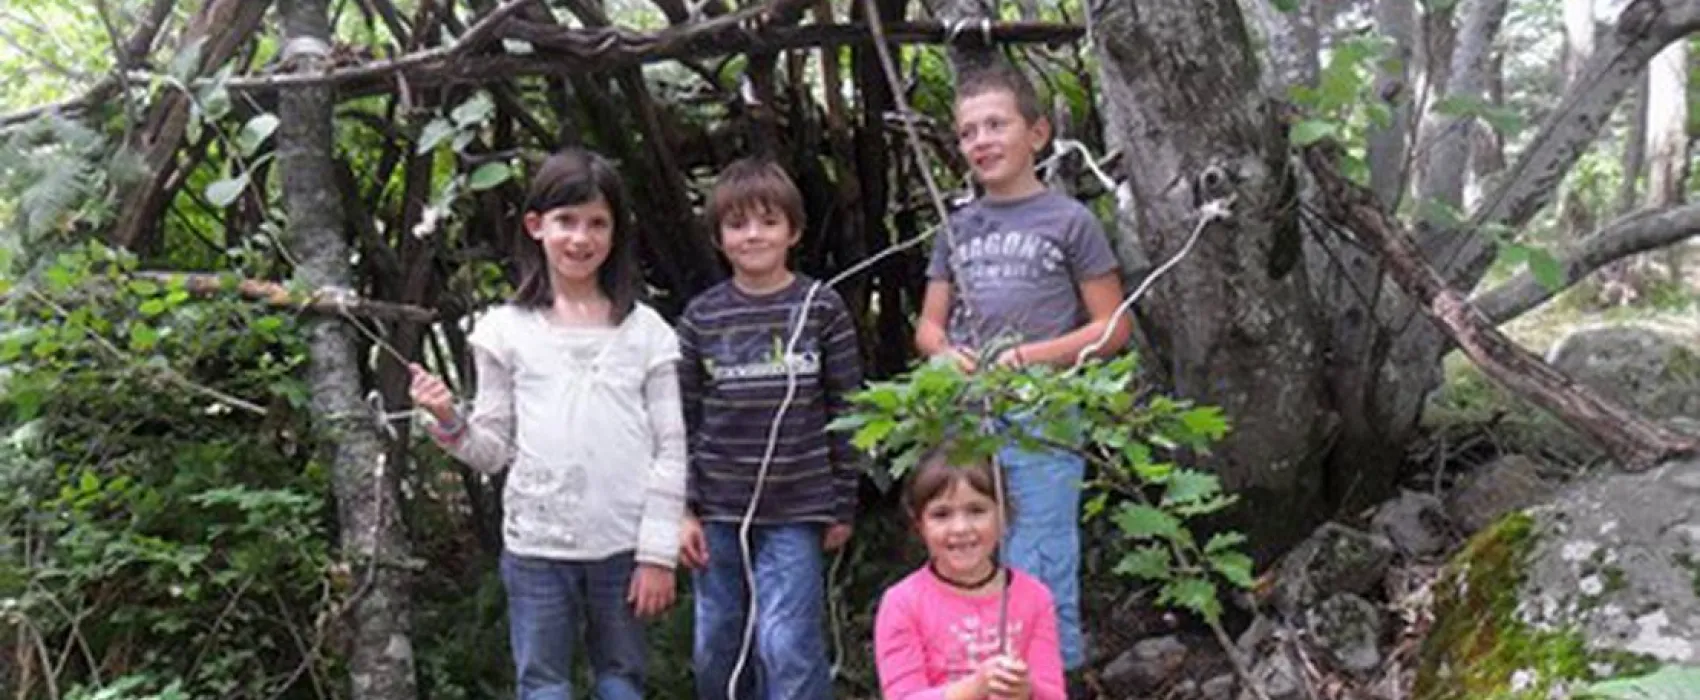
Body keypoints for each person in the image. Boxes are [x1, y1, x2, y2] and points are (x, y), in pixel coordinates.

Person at [408, 148, 686, 700]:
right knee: (543, 684)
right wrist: (446, 418)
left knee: (623, 679)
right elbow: (490, 451)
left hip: (624, 547)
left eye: (597, 223)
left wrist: (657, 554)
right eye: (566, 221)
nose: (580, 239)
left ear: (615, 233)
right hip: (537, 548)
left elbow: (671, 448)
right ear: (536, 226)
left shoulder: (646, 331)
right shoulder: (503, 330)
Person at [913, 63, 1132, 683]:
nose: (980, 141)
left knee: (1039, 552)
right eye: (966, 132)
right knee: (969, 545)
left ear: (1036, 134)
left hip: (1044, 409)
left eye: (995, 125)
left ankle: (1051, 678)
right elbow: (928, 326)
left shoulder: (1070, 221)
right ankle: (974, 678)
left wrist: (1029, 358)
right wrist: (943, 353)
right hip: (967, 408)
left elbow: (1113, 328)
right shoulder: (956, 227)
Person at [677, 158, 864, 700]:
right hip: (718, 510)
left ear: (794, 230)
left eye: (767, 221)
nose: (753, 234)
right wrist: (683, 509)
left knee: (788, 645)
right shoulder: (700, 317)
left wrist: (843, 504)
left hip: (798, 508)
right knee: (718, 647)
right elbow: (680, 421)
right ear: (718, 237)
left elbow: (847, 410)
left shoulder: (821, 308)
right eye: (737, 224)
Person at [874, 446, 1066, 700]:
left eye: (976, 511)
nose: (961, 528)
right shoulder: (902, 603)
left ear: (1003, 515)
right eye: (941, 514)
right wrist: (973, 689)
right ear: (919, 525)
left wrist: (1026, 690)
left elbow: (1053, 693)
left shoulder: (1035, 597)